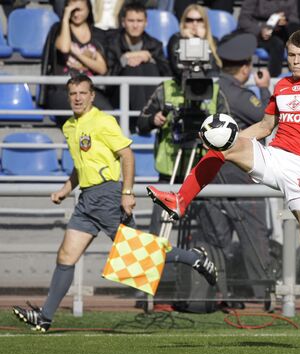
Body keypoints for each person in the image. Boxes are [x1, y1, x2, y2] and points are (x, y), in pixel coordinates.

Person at [146, 29, 300, 268]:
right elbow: (266, 126)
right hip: (274, 157)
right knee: (223, 147)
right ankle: (180, 200)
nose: (295, 61)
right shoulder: (282, 86)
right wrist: (231, 140)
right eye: (291, 55)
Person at [12, 75, 217, 332]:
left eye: (82, 93)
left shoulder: (102, 121)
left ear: (92, 95)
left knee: (137, 255)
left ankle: (194, 258)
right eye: (73, 93)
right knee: (66, 256)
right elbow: (80, 166)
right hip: (87, 199)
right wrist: (65, 190)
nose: (77, 98)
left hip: (108, 195)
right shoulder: (69, 127)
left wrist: (127, 192)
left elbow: (127, 155)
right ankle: (45, 316)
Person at [197, 33, 273, 303]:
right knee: (254, 235)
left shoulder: (209, 90)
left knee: (216, 237)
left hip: (210, 174)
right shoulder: (238, 94)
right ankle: (264, 294)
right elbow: (269, 118)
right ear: (244, 68)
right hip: (239, 175)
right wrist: (264, 88)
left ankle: (219, 292)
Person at [39, 0, 113, 127]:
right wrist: (66, 16)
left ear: (88, 10)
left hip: (88, 89)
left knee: (110, 116)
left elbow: (102, 68)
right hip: (63, 89)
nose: (75, 14)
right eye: (72, 10)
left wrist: (78, 55)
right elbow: (64, 48)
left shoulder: (97, 34)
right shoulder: (58, 29)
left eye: (79, 9)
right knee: (82, 117)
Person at [106, 1, 172, 132]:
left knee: (150, 67)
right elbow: (107, 77)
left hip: (148, 95)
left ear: (146, 22)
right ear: (123, 22)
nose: (135, 25)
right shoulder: (112, 43)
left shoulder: (154, 45)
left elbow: (167, 74)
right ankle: (142, 122)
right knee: (132, 69)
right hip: (118, 96)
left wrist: (150, 58)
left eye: (139, 21)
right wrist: (124, 60)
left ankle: (146, 119)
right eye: (131, 21)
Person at [237, 0, 300, 77]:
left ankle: (298, 77)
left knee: (299, 43)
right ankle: (272, 79)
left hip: (281, 31)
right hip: (256, 31)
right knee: (277, 44)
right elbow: (243, 20)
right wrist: (262, 28)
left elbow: (294, 20)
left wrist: (285, 23)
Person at [167, 3, 222, 81]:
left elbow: (213, 70)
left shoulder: (214, 41)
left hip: (208, 84)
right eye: (189, 20)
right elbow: (178, 69)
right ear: (184, 22)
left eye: (199, 20)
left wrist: (203, 41)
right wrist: (187, 41)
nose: (194, 24)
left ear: (205, 23)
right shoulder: (176, 39)